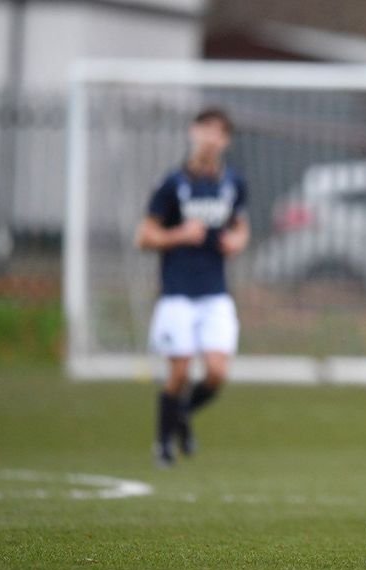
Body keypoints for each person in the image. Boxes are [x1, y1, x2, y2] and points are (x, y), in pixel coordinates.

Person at [135, 107, 250, 467]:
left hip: (214, 292)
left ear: (225, 140)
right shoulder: (172, 184)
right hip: (177, 292)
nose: (210, 138)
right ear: (193, 132)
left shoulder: (233, 183)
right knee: (180, 371)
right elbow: (144, 236)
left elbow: (241, 226)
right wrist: (178, 234)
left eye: (217, 132)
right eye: (204, 129)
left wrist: (237, 241)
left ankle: (180, 414)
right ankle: (163, 443)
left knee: (216, 372)